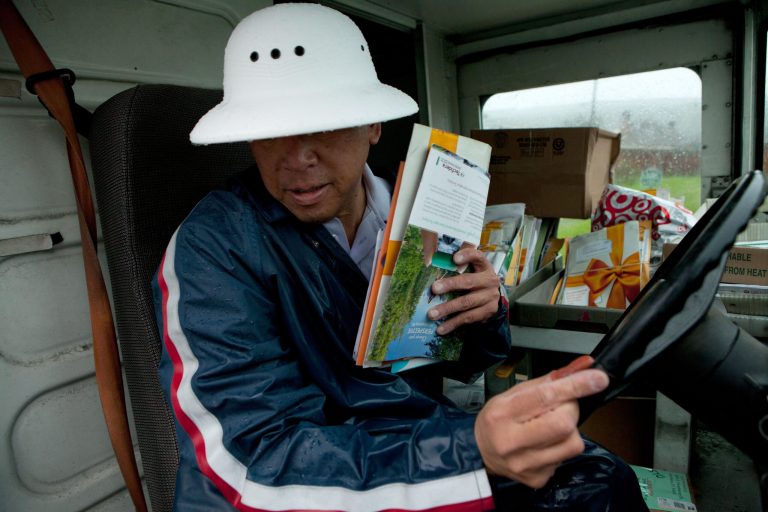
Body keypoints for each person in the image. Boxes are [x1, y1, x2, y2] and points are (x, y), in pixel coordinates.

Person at [153, 3, 648, 511]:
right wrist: (468, 450)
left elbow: (462, 362)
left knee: (600, 479)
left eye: (323, 127)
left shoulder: (417, 212)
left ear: (373, 127)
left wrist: (483, 313)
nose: (297, 160)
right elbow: (249, 463)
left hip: (408, 439)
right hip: (298, 487)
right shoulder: (214, 248)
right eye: (270, 132)